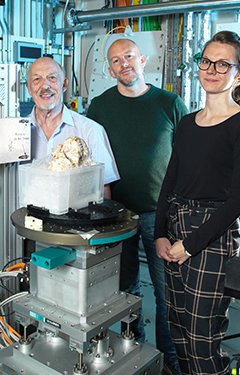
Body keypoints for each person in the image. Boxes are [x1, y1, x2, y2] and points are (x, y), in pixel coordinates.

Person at [154, 30, 240, 375]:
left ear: (239, 73)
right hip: (176, 225)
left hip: (212, 234)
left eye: (223, 64)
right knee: (179, 330)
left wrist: (190, 245)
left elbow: (238, 203)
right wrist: (160, 233)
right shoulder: (186, 123)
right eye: (206, 61)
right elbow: (169, 183)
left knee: (202, 338)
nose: (211, 69)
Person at [87, 38, 188, 375]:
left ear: (143, 59)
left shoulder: (170, 103)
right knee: (125, 291)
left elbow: (188, 160)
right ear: (110, 68)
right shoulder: (100, 107)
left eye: (128, 56)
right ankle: (135, 350)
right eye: (115, 60)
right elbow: (89, 156)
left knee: (167, 293)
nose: (123, 64)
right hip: (116, 216)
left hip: (163, 216)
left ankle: (168, 360)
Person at [26, 56, 119, 196]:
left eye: (52, 78)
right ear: (28, 88)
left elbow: (103, 188)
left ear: (64, 85)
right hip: (26, 216)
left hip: (76, 216)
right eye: (36, 79)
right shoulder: (18, 133)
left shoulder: (91, 130)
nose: (45, 86)